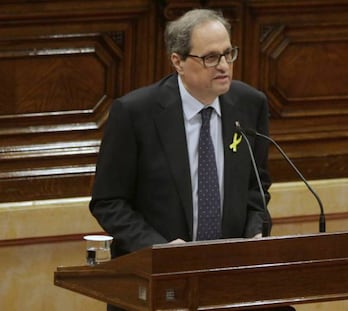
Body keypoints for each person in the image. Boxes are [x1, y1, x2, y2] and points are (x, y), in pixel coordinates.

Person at [89, 8, 272, 311]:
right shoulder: (136, 113)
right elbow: (108, 202)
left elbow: (257, 187)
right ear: (178, 61)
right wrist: (159, 248)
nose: (224, 66)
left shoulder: (250, 105)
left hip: (227, 286)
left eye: (229, 54)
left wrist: (256, 231)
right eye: (210, 57)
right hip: (155, 286)